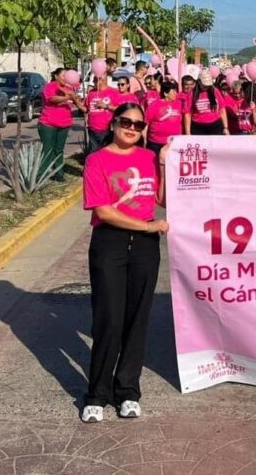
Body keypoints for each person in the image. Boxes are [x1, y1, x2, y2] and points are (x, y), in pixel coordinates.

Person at [81, 102, 169, 423]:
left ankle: (128, 390)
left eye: (138, 124)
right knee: (109, 319)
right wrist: (148, 226)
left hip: (145, 247)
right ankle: (97, 393)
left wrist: (164, 166)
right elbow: (102, 211)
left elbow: (162, 200)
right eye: (125, 122)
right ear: (113, 124)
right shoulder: (96, 160)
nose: (132, 128)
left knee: (137, 319)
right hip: (110, 243)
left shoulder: (148, 158)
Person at [38, 68, 78, 181]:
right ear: (56, 76)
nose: (66, 78)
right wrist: (67, 97)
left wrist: (76, 99)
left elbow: (75, 102)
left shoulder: (70, 89)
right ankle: (41, 175)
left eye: (67, 75)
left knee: (59, 150)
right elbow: (53, 99)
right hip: (48, 124)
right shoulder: (50, 87)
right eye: (63, 75)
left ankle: (59, 174)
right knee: (48, 150)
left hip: (64, 124)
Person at [85, 75, 121, 155]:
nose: (94, 82)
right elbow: (86, 109)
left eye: (95, 80)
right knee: (93, 154)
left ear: (102, 80)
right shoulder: (91, 93)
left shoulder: (114, 92)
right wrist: (75, 101)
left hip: (106, 130)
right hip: (92, 129)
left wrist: (106, 106)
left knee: (105, 153)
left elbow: (120, 109)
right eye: (93, 80)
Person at [145, 81, 182, 158]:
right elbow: (146, 123)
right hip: (156, 143)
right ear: (165, 93)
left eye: (176, 91)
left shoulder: (178, 103)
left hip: (174, 142)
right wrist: (144, 140)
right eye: (173, 91)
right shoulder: (154, 105)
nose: (176, 93)